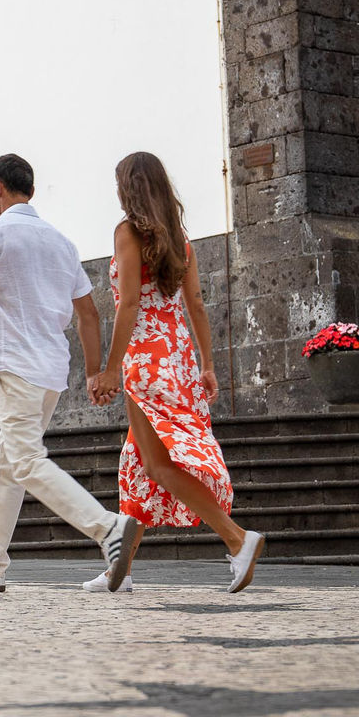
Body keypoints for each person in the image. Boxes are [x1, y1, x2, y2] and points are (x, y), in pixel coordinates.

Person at [0, 154, 144, 594]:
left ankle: (108, 528)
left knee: (25, 461)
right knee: (5, 463)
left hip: (17, 366)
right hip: (51, 372)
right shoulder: (61, 243)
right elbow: (88, 314)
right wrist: (92, 372)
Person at [88, 151, 263, 593]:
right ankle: (120, 571)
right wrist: (207, 365)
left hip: (146, 359)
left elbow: (129, 303)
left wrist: (111, 369)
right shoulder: (180, 241)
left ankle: (237, 538)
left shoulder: (128, 232)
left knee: (156, 464)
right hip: (179, 357)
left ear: (129, 188)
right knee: (138, 462)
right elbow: (196, 304)